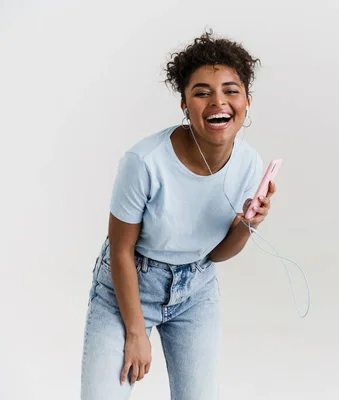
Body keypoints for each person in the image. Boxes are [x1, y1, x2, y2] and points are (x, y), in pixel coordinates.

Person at [80, 31, 273, 399]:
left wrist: (249, 223)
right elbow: (121, 251)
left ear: (247, 101)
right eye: (202, 92)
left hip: (196, 290)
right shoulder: (144, 162)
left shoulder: (249, 164)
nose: (219, 101)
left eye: (231, 90)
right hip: (129, 282)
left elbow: (216, 253)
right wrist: (135, 332)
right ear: (185, 105)